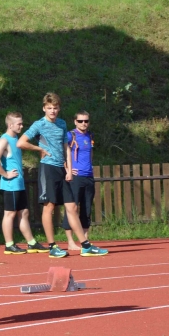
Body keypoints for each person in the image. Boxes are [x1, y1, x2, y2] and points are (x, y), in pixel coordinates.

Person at [17, 93, 108, 258]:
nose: (53, 111)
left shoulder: (62, 124)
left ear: (59, 108)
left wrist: (68, 169)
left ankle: (85, 246)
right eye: (49, 108)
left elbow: (66, 147)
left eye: (55, 108)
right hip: (48, 168)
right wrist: (40, 149)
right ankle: (52, 246)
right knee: (49, 206)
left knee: (72, 207)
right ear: (44, 108)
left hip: (61, 169)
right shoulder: (39, 124)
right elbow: (21, 142)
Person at [0, 112, 49, 255]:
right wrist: (6, 174)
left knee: (24, 212)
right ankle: (9, 245)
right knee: (10, 214)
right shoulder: (4, 140)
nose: (22, 126)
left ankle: (31, 243)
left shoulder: (15, 138)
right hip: (11, 183)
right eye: (19, 124)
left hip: (19, 182)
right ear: (10, 125)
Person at [62, 111, 95, 250]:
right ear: (75, 121)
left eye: (86, 121)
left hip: (88, 176)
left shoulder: (90, 135)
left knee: (87, 208)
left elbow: (90, 153)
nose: (83, 123)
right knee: (72, 208)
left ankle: (85, 240)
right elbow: (61, 151)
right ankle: (70, 242)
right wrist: (67, 168)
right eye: (80, 121)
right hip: (75, 177)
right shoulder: (70, 135)